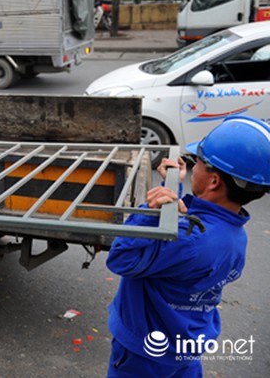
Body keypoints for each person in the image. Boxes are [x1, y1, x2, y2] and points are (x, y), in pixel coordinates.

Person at [106, 116, 270, 376]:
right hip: (184, 346)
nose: (194, 166)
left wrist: (150, 212)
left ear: (214, 181)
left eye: (200, 163)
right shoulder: (235, 234)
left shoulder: (189, 241)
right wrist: (173, 194)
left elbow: (120, 259)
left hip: (147, 355)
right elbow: (191, 238)